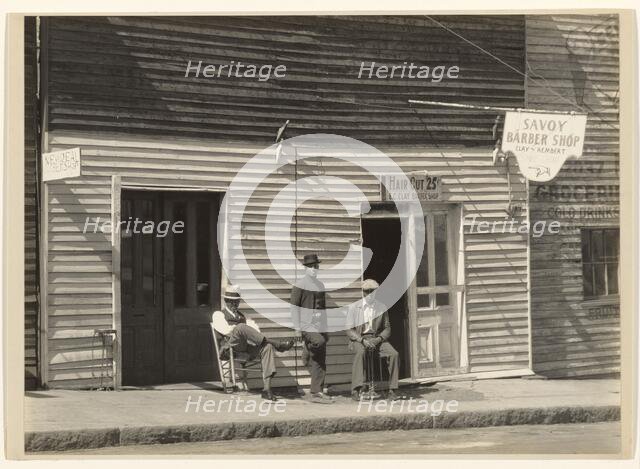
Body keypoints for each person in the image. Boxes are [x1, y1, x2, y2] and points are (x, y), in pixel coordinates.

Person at [212, 284, 293, 401]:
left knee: (267, 346)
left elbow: (256, 332)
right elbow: (227, 331)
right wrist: (242, 329)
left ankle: (266, 389)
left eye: (237, 302)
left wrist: (247, 332)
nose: (234, 305)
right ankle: (278, 345)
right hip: (229, 347)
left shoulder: (244, 316)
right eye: (231, 302)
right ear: (226, 301)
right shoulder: (219, 314)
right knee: (240, 327)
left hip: (245, 348)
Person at [346, 279, 399, 401]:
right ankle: (356, 389)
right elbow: (349, 330)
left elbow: (387, 328)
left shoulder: (381, 307)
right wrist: (362, 340)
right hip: (359, 339)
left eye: (372, 291)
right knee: (361, 353)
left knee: (394, 354)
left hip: (376, 339)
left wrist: (379, 339)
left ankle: (392, 390)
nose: (369, 294)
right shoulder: (354, 307)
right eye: (366, 292)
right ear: (362, 292)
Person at [290, 253, 333, 403]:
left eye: (316, 266)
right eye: (312, 267)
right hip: (306, 325)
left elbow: (324, 309)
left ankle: (317, 392)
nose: (315, 269)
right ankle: (307, 349)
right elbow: (294, 308)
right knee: (319, 344)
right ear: (306, 268)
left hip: (319, 326)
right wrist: (296, 328)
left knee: (321, 358)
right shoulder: (299, 285)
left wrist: (326, 330)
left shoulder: (321, 285)